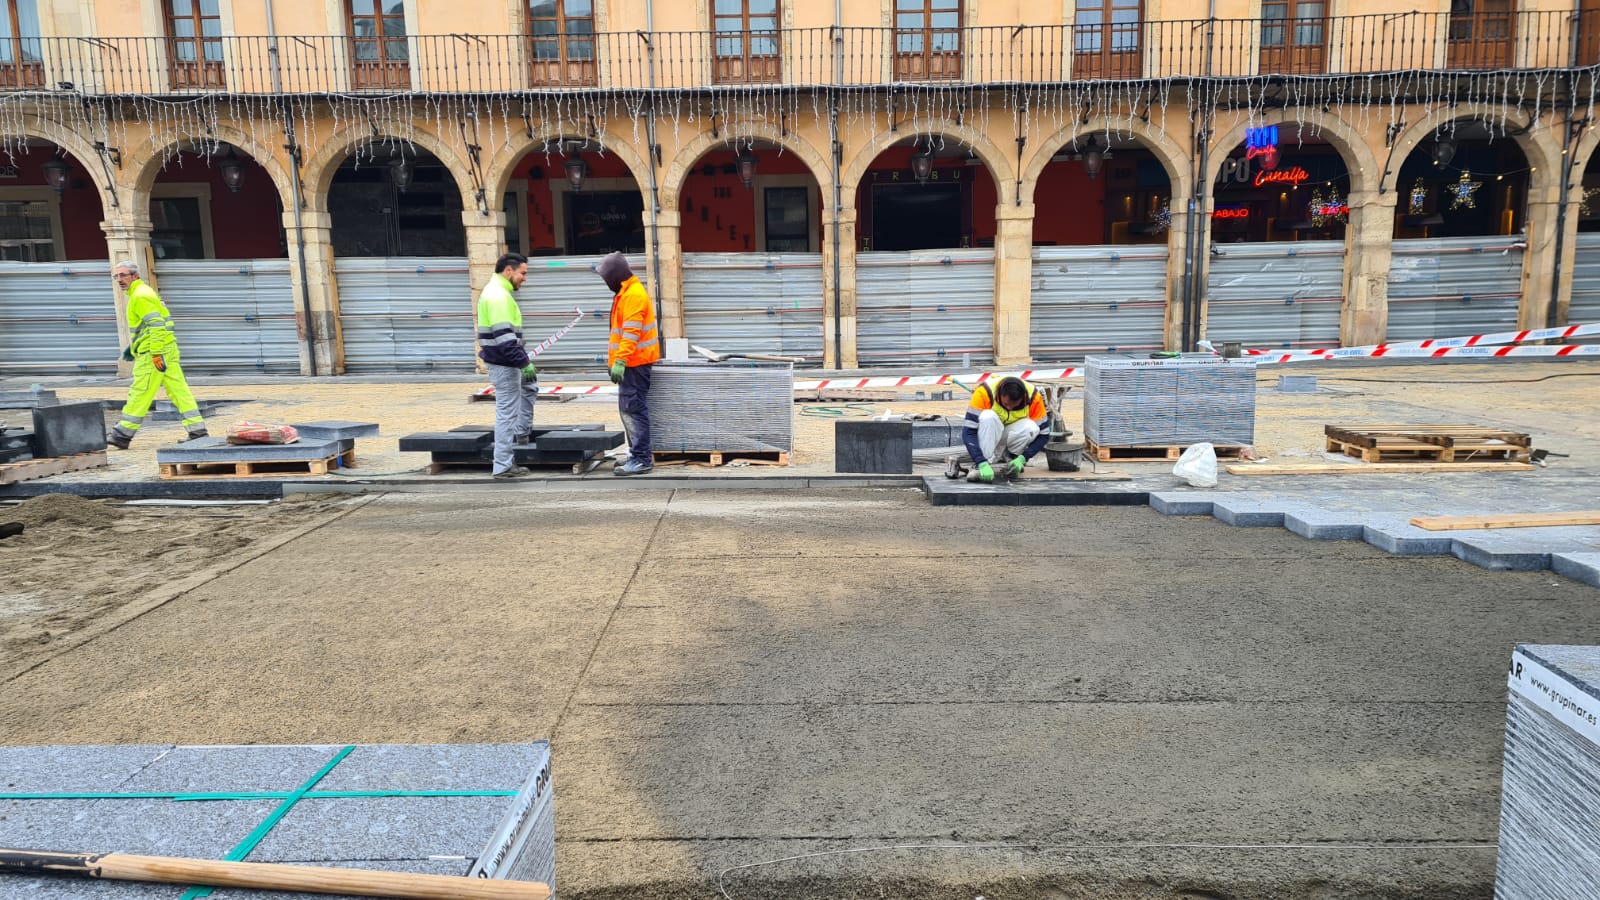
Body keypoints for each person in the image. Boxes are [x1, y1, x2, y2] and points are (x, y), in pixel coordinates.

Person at [106, 260, 206, 449]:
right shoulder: (143, 293)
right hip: (166, 349)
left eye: (123, 275)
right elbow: (156, 324)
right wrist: (134, 346)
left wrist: (156, 353)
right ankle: (198, 431)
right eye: (116, 276)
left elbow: (157, 326)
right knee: (179, 391)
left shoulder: (140, 296)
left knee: (141, 391)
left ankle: (121, 435)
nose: (119, 279)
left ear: (135, 276)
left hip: (154, 352)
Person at [477, 252, 539, 479]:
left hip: (506, 361)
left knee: (530, 389)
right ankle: (502, 465)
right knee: (507, 412)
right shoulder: (497, 296)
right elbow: (504, 337)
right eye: (523, 273)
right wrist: (523, 363)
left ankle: (518, 441)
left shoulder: (498, 292)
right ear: (509, 271)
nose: (525, 278)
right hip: (505, 363)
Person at [598, 251, 659, 476]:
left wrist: (621, 360)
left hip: (634, 364)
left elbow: (631, 333)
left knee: (633, 410)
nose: (605, 283)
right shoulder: (625, 292)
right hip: (631, 364)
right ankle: (636, 454)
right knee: (629, 410)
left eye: (606, 278)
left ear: (615, 276)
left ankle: (641, 459)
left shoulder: (633, 295)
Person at [962, 375, 1050, 483]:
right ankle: (982, 465)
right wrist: (980, 461)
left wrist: (1023, 458)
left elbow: (1044, 434)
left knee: (1032, 427)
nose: (1009, 408)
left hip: (1006, 436)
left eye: (1014, 405)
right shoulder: (984, 393)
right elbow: (968, 432)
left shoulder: (1033, 397)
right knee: (988, 416)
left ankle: (1011, 459)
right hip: (988, 434)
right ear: (1000, 394)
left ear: (1023, 397)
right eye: (1006, 404)